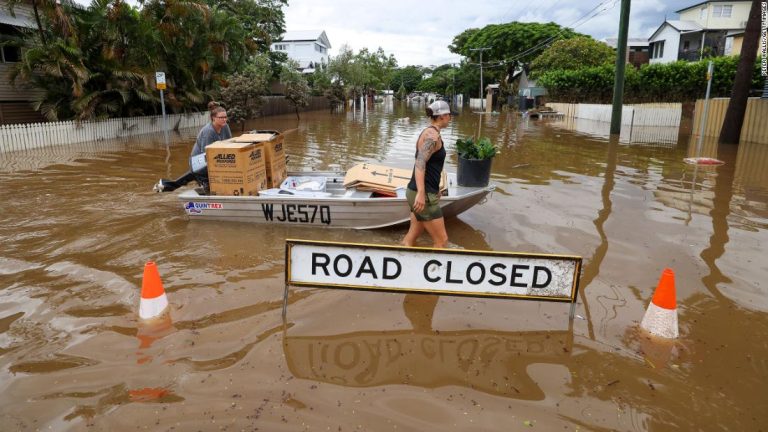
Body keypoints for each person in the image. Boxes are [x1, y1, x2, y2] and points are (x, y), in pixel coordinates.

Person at [402, 100, 451, 248]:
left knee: (412, 236)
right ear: (441, 116)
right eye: (449, 115)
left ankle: (403, 260)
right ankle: (436, 271)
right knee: (442, 241)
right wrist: (422, 193)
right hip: (422, 196)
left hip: (416, 191)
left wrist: (434, 188)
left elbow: (429, 164)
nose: (450, 118)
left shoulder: (429, 132)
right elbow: (420, 163)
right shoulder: (432, 137)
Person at [190, 102, 232, 193]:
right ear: (213, 118)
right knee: (210, 189)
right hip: (200, 163)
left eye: (225, 117)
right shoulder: (209, 132)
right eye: (221, 118)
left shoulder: (225, 126)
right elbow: (205, 155)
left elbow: (230, 144)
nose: (224, 119)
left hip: (214, 159)